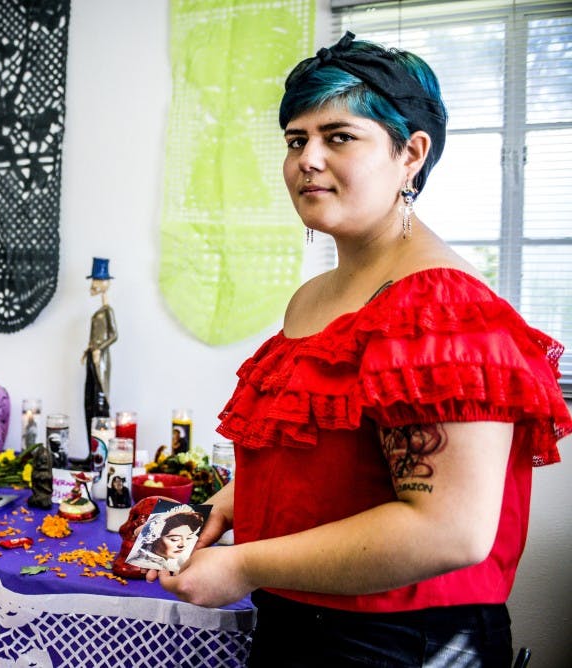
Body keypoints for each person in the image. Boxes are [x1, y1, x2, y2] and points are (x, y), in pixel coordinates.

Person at [148, 32, 571, 667]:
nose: (307, 159)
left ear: (411, 154)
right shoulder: (316, 296)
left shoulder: (441, 308)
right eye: (296, 140)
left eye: (339, 136)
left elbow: (447, 530)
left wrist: (242, 566)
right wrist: (216, 510)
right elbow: (317, 464)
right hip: (299, 620)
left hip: (399, 641)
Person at [81, 257, 117, 444]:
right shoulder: (99, 312)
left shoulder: (107, 311)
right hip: (92, 357)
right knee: (89, 400)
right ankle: (91, 447)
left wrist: (99, 349)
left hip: (100, 359)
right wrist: (89, 350)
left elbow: (114, 335)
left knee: (100, 401)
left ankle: (101, 446)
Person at [129, 508, 203, 573]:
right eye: (174, 539)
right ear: (154, 538)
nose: (183, 544)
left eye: (188, 538)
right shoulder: (142, 563)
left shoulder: (177, 565)